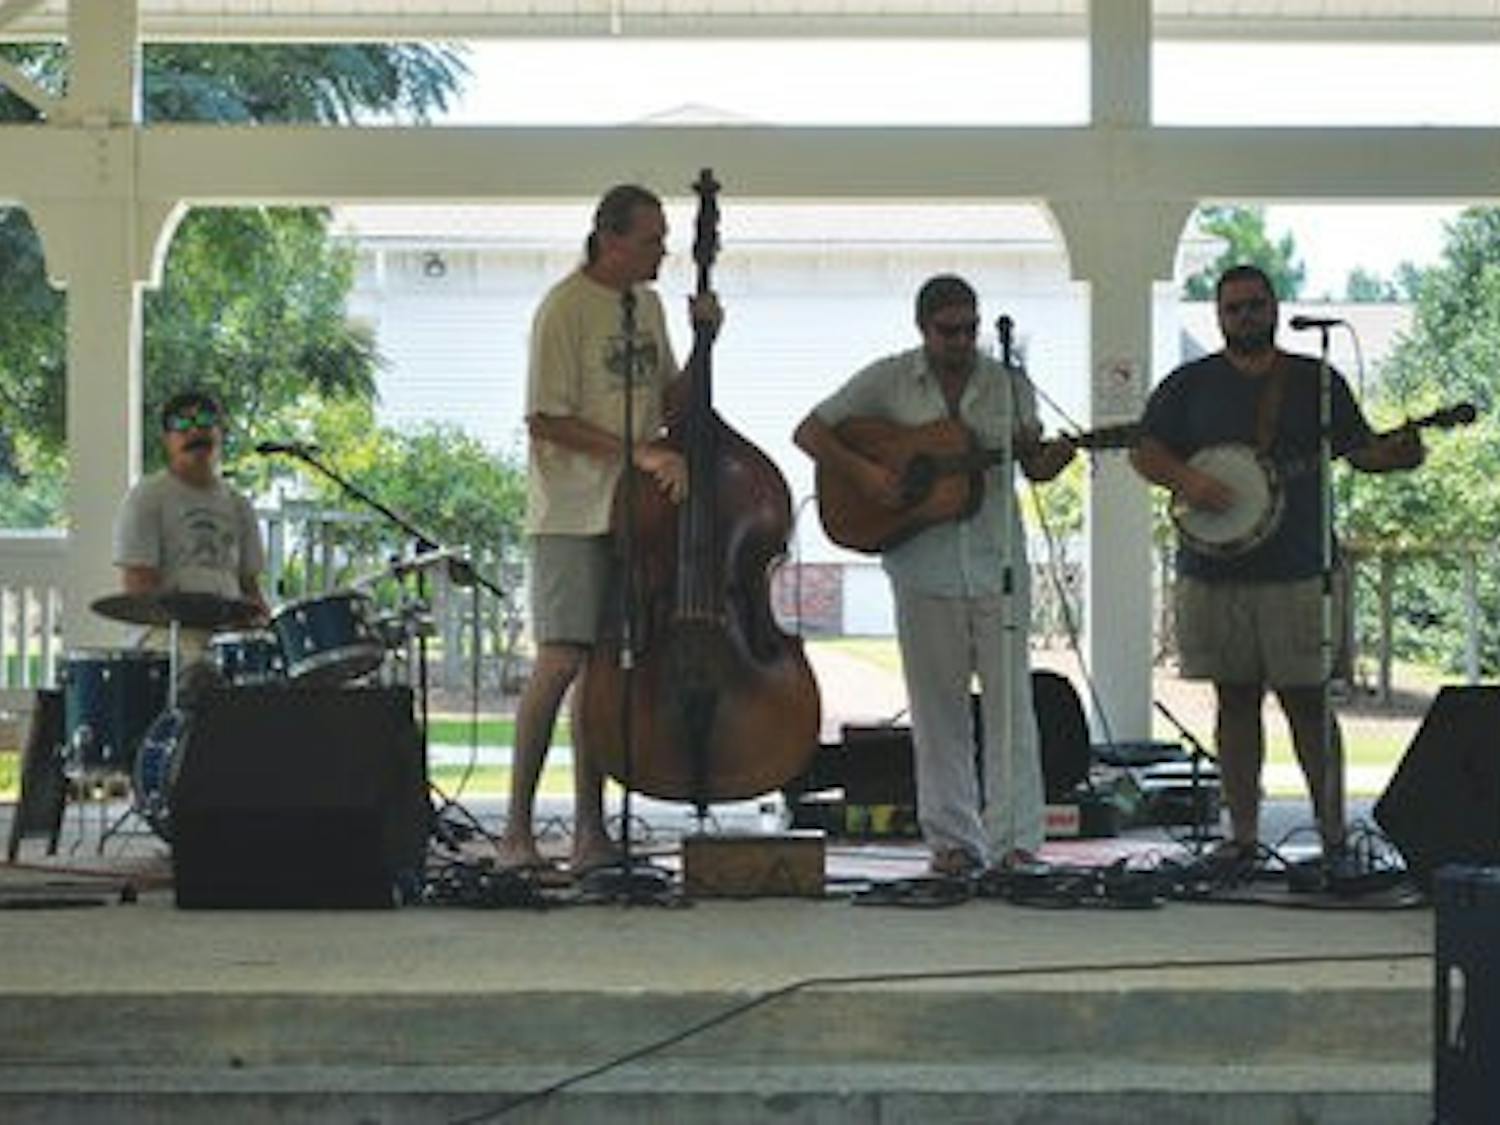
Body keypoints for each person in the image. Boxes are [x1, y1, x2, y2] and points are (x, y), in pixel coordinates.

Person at [1130, 263, 1424, 867]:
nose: (1245, 316)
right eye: (1233, 307)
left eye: (1255, 305)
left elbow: (1360, 451)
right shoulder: (1190, 385)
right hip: (1213, 569)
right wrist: (1192, 481)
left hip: (1296, 566)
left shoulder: (1316, 381)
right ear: (1218, 315)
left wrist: (1398, 457)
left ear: (1275, 308)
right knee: (1233, 701)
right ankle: (1240, 837)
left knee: (1308, 703)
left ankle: (1336, 837)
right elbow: (1146, 450)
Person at [793, 274, 1075, 876]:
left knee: (1011, 708)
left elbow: (1035, 466)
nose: (963, 340)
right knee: (937, 711)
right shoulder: (889, 380)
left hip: (997, 562)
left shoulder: (1008, 385)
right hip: (921, 567)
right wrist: (867, 476)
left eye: (972, 328)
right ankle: (952, 844)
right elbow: (810, 431)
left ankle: (1016, 844)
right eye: (950, 330)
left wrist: (1049, 461)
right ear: (923, 329)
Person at [498, 184, 717, 874]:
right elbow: (545, 419)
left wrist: (708, 340)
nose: (664, 251)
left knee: (603, 673)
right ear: (611, 239)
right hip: (570, 510)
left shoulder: (647, 304)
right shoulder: (564, 307)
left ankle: (591, 834)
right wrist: (640, 452)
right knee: (561, 658)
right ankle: (515, 834)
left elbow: (672, 400)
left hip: (635, 513)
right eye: (652, 239)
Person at [113, 389, 269, 680]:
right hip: (165, 639)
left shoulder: (239, 505)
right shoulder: (148, 497)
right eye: (181, 424)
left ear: (220, 433)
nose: (195, 431)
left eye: (205, 421)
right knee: (202, 671)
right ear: (167, 440)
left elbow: (249, 587)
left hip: (227, 638)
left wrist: (266, 631)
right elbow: (138, 586)